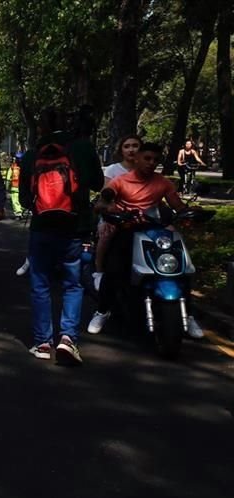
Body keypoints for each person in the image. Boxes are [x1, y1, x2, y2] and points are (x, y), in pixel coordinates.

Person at [88, 142, 204, 338]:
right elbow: (104, 199)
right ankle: (102, 310)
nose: (151, 163)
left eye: (155, 160)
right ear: (137, 158)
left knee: (182, 268)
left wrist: (190, 213)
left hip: (155, 231)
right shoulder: (120, 181)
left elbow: (178, 206)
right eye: (147, 158)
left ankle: (189, 315)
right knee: (114, 269)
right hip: (127, 229)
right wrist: (106, 208)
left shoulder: (163, 183)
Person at [18, 107, 104, 365]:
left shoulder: (32, 154)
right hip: (75, 228)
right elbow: (99, 183)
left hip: (42, 228)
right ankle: (68, 339)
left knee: (40, 285)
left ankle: (42, 342)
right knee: (73, 284)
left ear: (41, 127)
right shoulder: (83, 148)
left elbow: (23, 198)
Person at [94, 134, 143, 289]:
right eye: (127, 146)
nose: (131, 150)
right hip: (116, 216)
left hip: (142, 216)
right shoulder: (113, 170)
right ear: (121, 150)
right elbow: (105, 196)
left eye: (135, 146)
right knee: (106, 235)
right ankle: (99, 270)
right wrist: (109, 213)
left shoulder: (146, 169)